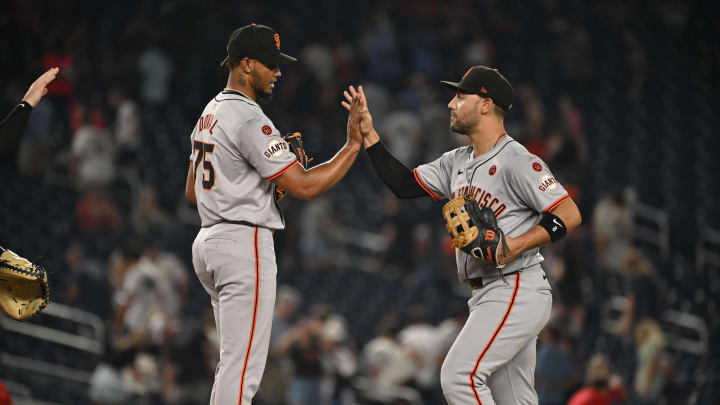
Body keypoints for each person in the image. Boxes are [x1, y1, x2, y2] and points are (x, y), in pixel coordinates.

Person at [343, 66, 582, 404]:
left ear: (486, 104)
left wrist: (514, 244)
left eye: (460, 96)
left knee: (459, 377)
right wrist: (370, 136)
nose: (451, 104)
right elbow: (404, 185)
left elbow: (569, 214)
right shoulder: (457, 161)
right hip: (489, 293)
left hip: (516, 285)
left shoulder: (517, 160)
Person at [185, 23, 364, 404]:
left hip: (209, 242)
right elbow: (305, 186)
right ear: (246, 65)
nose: (278, 72)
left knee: (231, 362)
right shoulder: (250, 118)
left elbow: (191, 192)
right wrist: (351, 146)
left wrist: (251, 184)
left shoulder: (208, 113)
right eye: (271, 64)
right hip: (242, 241)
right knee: (242, 368)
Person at [0, 67, 59, 161]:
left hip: (30, 141)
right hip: (44, 140)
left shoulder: (30, 106)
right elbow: (53, 124)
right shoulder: (48, 106)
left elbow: (24, 124)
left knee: (27, 172)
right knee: (40, 171)